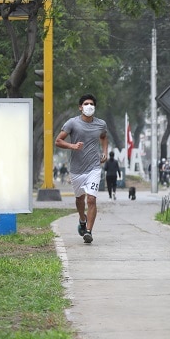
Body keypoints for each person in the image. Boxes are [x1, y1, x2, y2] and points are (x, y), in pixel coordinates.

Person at [55, 94, 108, 244]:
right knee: (80, 199)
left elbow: (104, 137)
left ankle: (88, 232)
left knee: (91, 199)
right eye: (86, 104)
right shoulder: (72, 123)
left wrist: (104, 151)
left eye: (92, 104)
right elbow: (58, 141)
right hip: (76, 169)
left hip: (94, 167)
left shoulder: (101, 124)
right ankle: (82, 219)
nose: (89, 106)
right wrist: (72, 146)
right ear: (80, 107)